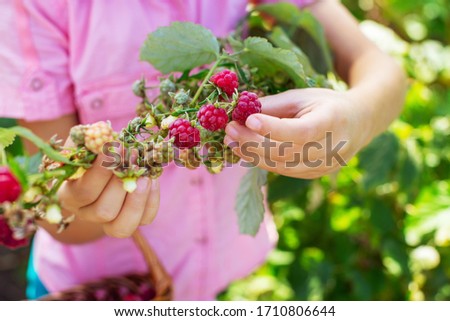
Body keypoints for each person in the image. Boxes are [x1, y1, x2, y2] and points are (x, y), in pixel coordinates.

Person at [0, 0, 406, 300]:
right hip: (101, 291)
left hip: (214, 284)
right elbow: (61, 212)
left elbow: (382, 70)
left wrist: (357, 115)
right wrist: (79, 202)